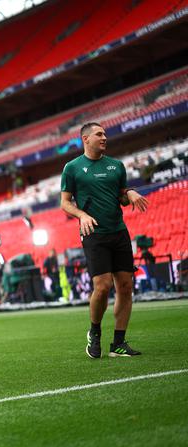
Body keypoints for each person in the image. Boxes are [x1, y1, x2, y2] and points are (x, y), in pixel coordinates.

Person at [60, 123, 149, 359]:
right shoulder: (72, 168)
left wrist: (129, 193)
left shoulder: (117, 166)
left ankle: (118, 343)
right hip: (93, 233)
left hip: (119, 231)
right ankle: (95, 332)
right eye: (99, 134)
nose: (104, 137)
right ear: (85, 139)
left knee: (126, 286)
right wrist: (82, 215)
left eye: (105, 134)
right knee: (102, 286)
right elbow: (65, 202)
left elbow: (121, 198)